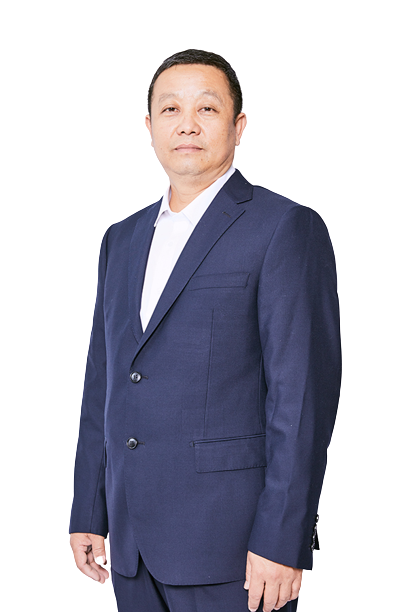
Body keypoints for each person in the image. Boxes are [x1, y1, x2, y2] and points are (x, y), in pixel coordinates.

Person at [69, 49, 341, 612]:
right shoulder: (120, 239)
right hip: (129, 542)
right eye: (171, 109)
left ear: (238, 127)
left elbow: (301, 398)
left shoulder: (284, 227)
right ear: (150, 127)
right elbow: (104, 383)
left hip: (234, 547)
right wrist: (88, 510)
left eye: (207, 108)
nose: (187, 124)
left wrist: (283, 539)